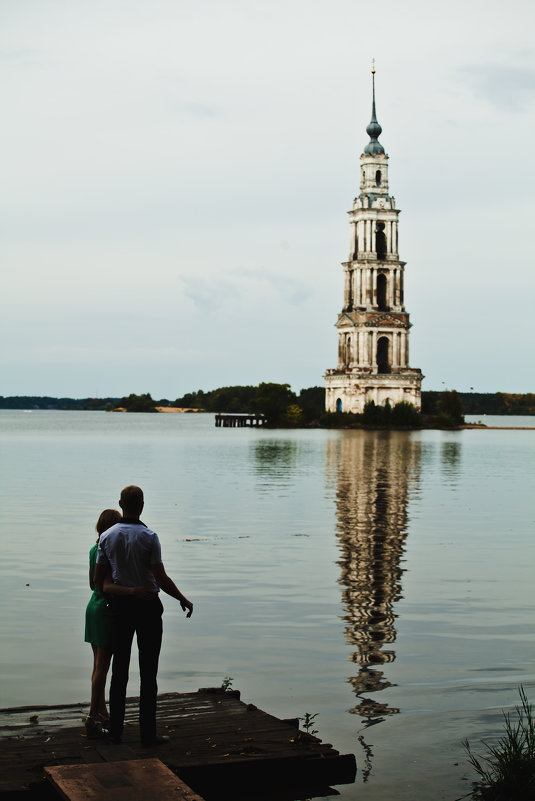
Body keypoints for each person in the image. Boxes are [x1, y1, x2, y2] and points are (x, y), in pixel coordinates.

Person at [95, 485, 193, 745]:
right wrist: (182, 598)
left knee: (119, 672)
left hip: (121, 608)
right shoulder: (149, 537)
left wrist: (126, 591)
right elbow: (160, 578)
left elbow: (100, 584)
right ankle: (147, 734)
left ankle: (115, 731)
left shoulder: (107, 537)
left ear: (120, 503)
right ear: (141, 505)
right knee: (149, 673)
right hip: (148, 608)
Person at [84, 508, 153, 738]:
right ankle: (93, 716)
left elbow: (92, 583)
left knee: (97, 665)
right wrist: (133, 591)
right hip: (105, 609)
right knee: (103, 666)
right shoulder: (109, 551)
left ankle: (101, 710)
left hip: (92, 606)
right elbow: (108, 584)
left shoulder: (95, 549)